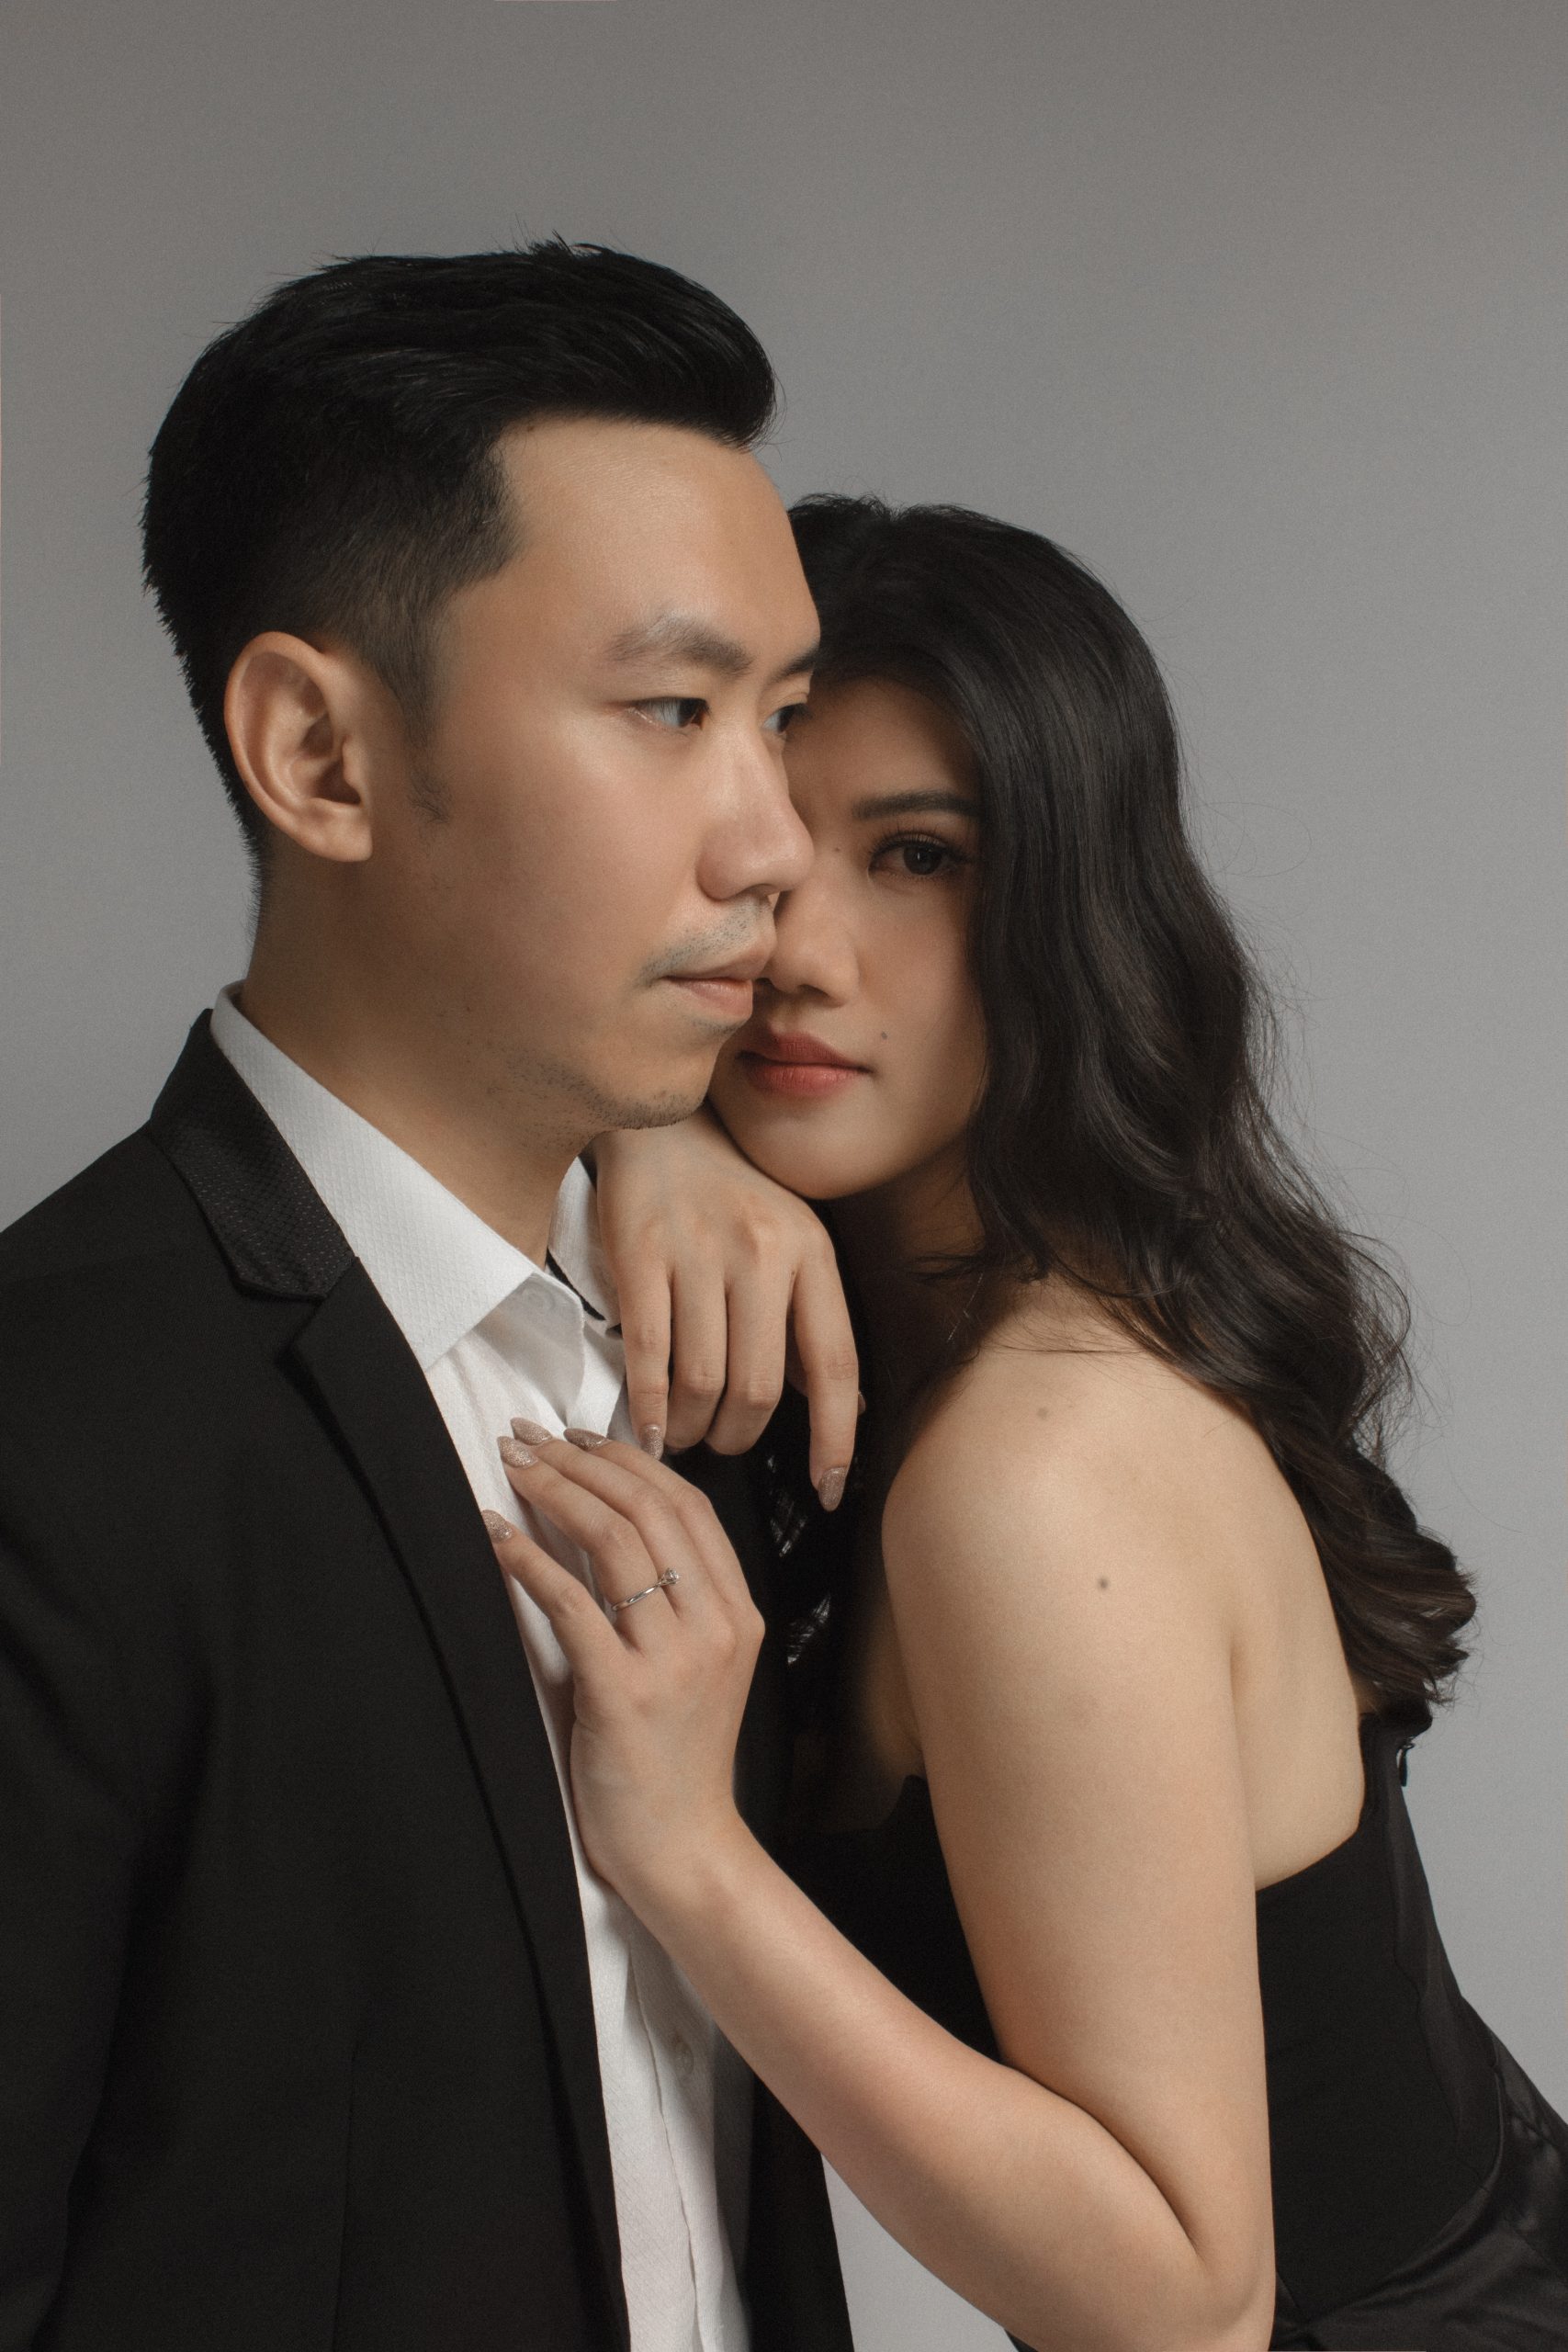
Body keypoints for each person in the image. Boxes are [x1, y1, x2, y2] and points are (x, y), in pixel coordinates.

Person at [491, 495, 1568, 2350]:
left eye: (917, 856)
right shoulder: (923, 1346)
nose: (798, 950)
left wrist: (686, 1855)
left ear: (1067, 907)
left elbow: (1184, 2309)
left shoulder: (1034, 1466)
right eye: (762, 848)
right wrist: (645, 1127)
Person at [0, 244, 866, 2352]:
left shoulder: (703, 1351)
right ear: (318, 753)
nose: (774, 842)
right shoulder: (58, 1432)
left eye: (779, 719)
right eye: (669, 711)